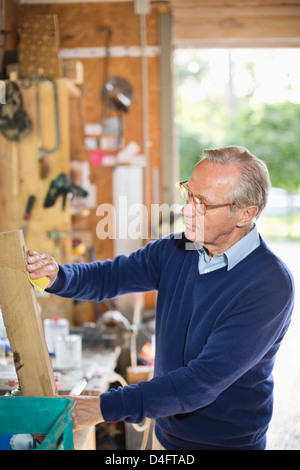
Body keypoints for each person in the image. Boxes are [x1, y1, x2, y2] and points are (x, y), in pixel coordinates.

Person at [27, 146, 294, 450]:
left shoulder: (269, 284)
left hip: (224, 444)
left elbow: (198, 383)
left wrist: (99, 407)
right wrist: (58, 275)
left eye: (203, 203)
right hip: (165, 434)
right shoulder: (177, 249)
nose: (187, 210)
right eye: (188, 195)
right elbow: (110, 277)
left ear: (245, 214)